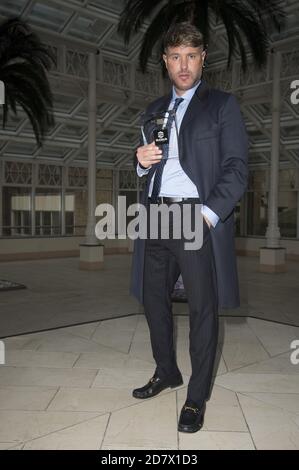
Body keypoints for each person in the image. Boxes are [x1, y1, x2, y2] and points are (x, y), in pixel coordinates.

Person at [130, 21, 248, 433]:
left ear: (203, 60)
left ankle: (196, 397)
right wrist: (140, 161)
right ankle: (167, 372)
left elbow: (236, 169)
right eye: (176, 56)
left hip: (195, 216)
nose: (184, 65)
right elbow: (146, 169)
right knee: (153, 301)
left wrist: (206, 214)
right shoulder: (153, 111)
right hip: (157, 216)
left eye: (191, 56)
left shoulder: (221, 106)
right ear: (165, 61)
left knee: (201, 311)